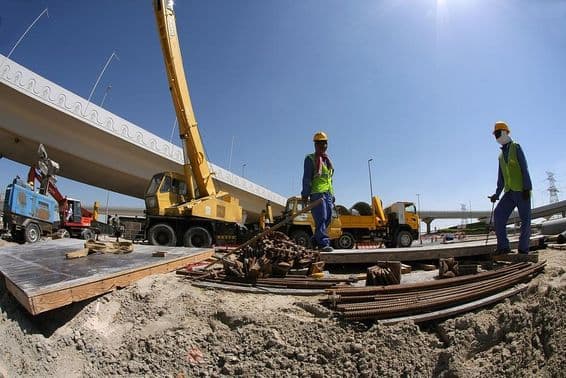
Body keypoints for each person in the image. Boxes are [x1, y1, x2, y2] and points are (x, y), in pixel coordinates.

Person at [488, 121, 532, 254]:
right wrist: (496, 194)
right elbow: (501, 179)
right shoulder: (500, 156)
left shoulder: (515, 147)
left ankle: (523, 249)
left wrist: (527, 187)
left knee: (525, 220)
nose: (497, 137)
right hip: (509, 192)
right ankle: (503, 247)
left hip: (521, 190)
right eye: (495, 135)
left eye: (498, 133)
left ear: (506, 132)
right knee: (498, 214)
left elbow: (524, 167)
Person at [301, 131, 335, 252]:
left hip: (328, 193)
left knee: (328, 218)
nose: (323, 146)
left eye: (325, 143)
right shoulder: (310, 159)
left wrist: (332, 195)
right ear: (315, 145)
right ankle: (323, 243)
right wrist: (305, 194)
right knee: (321, 217)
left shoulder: (327, 161)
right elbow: (307, 178)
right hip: (317, 194)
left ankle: (315, 239)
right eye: (320, 143)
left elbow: (329, 180)